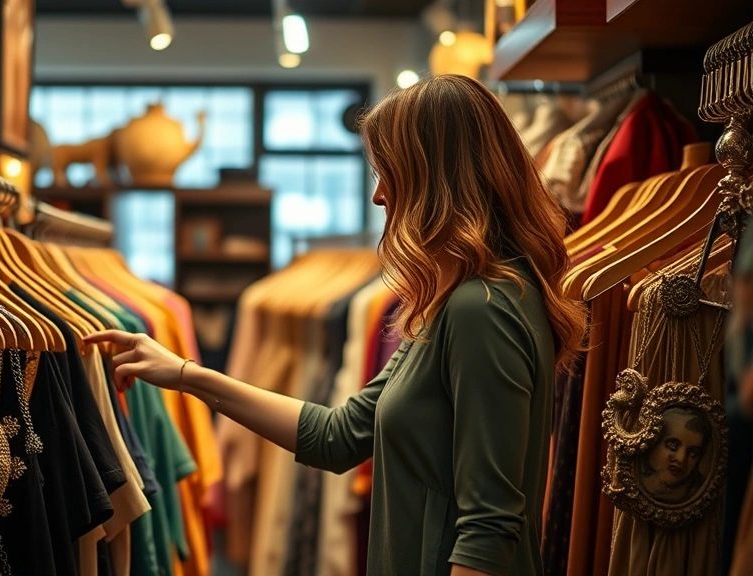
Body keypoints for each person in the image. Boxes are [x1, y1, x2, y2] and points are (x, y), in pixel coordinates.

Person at [84, 74, 587, 576]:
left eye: (390, 173)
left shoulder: (482, 309)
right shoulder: (452, 304)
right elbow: (339, 436)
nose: (379, 195)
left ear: (436, 181)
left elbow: (488, 530)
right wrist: (183, 374)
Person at [641, 407, 710, 505]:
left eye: (692, 452)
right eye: (672, 445)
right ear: (652, 443)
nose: (680, 459)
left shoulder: (700, 498)